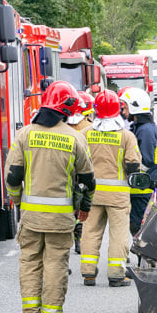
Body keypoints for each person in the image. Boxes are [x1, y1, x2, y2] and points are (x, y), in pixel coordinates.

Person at [5, 81, 95, 313]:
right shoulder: (75, 138)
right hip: (62, 219)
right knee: (56, 265)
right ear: (66, 109)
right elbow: (88, 180)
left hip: (31, 217)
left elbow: (12, 176)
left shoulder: (24, 134)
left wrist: (16, 200)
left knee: (30, 261)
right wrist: (84, 207)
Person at [79, 90, 141, 287]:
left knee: (90, 232)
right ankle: (116, 275)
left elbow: (76, 162)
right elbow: (133, 165)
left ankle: (88, 273)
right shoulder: (126, 136)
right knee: (119, 235)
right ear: (117, 110)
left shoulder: (85, 134)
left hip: (92, 194)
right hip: (118, 197)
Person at [121, 88, 157, 235]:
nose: (124, 111)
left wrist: (130, 175)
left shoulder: (145, 130)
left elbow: (146, 161)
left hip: (141, 188)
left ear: (135, 107)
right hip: (140, 187)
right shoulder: (142, 128)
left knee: (138, 226)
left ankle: (142, 256)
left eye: (126, 107)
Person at [67, 92, 95, 254]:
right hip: (84, 174)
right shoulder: (89, 127)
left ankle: (70, 238)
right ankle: (79, 238)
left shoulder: (63, 126)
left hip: (67, 173)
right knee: (82, 208)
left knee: (69, 209)